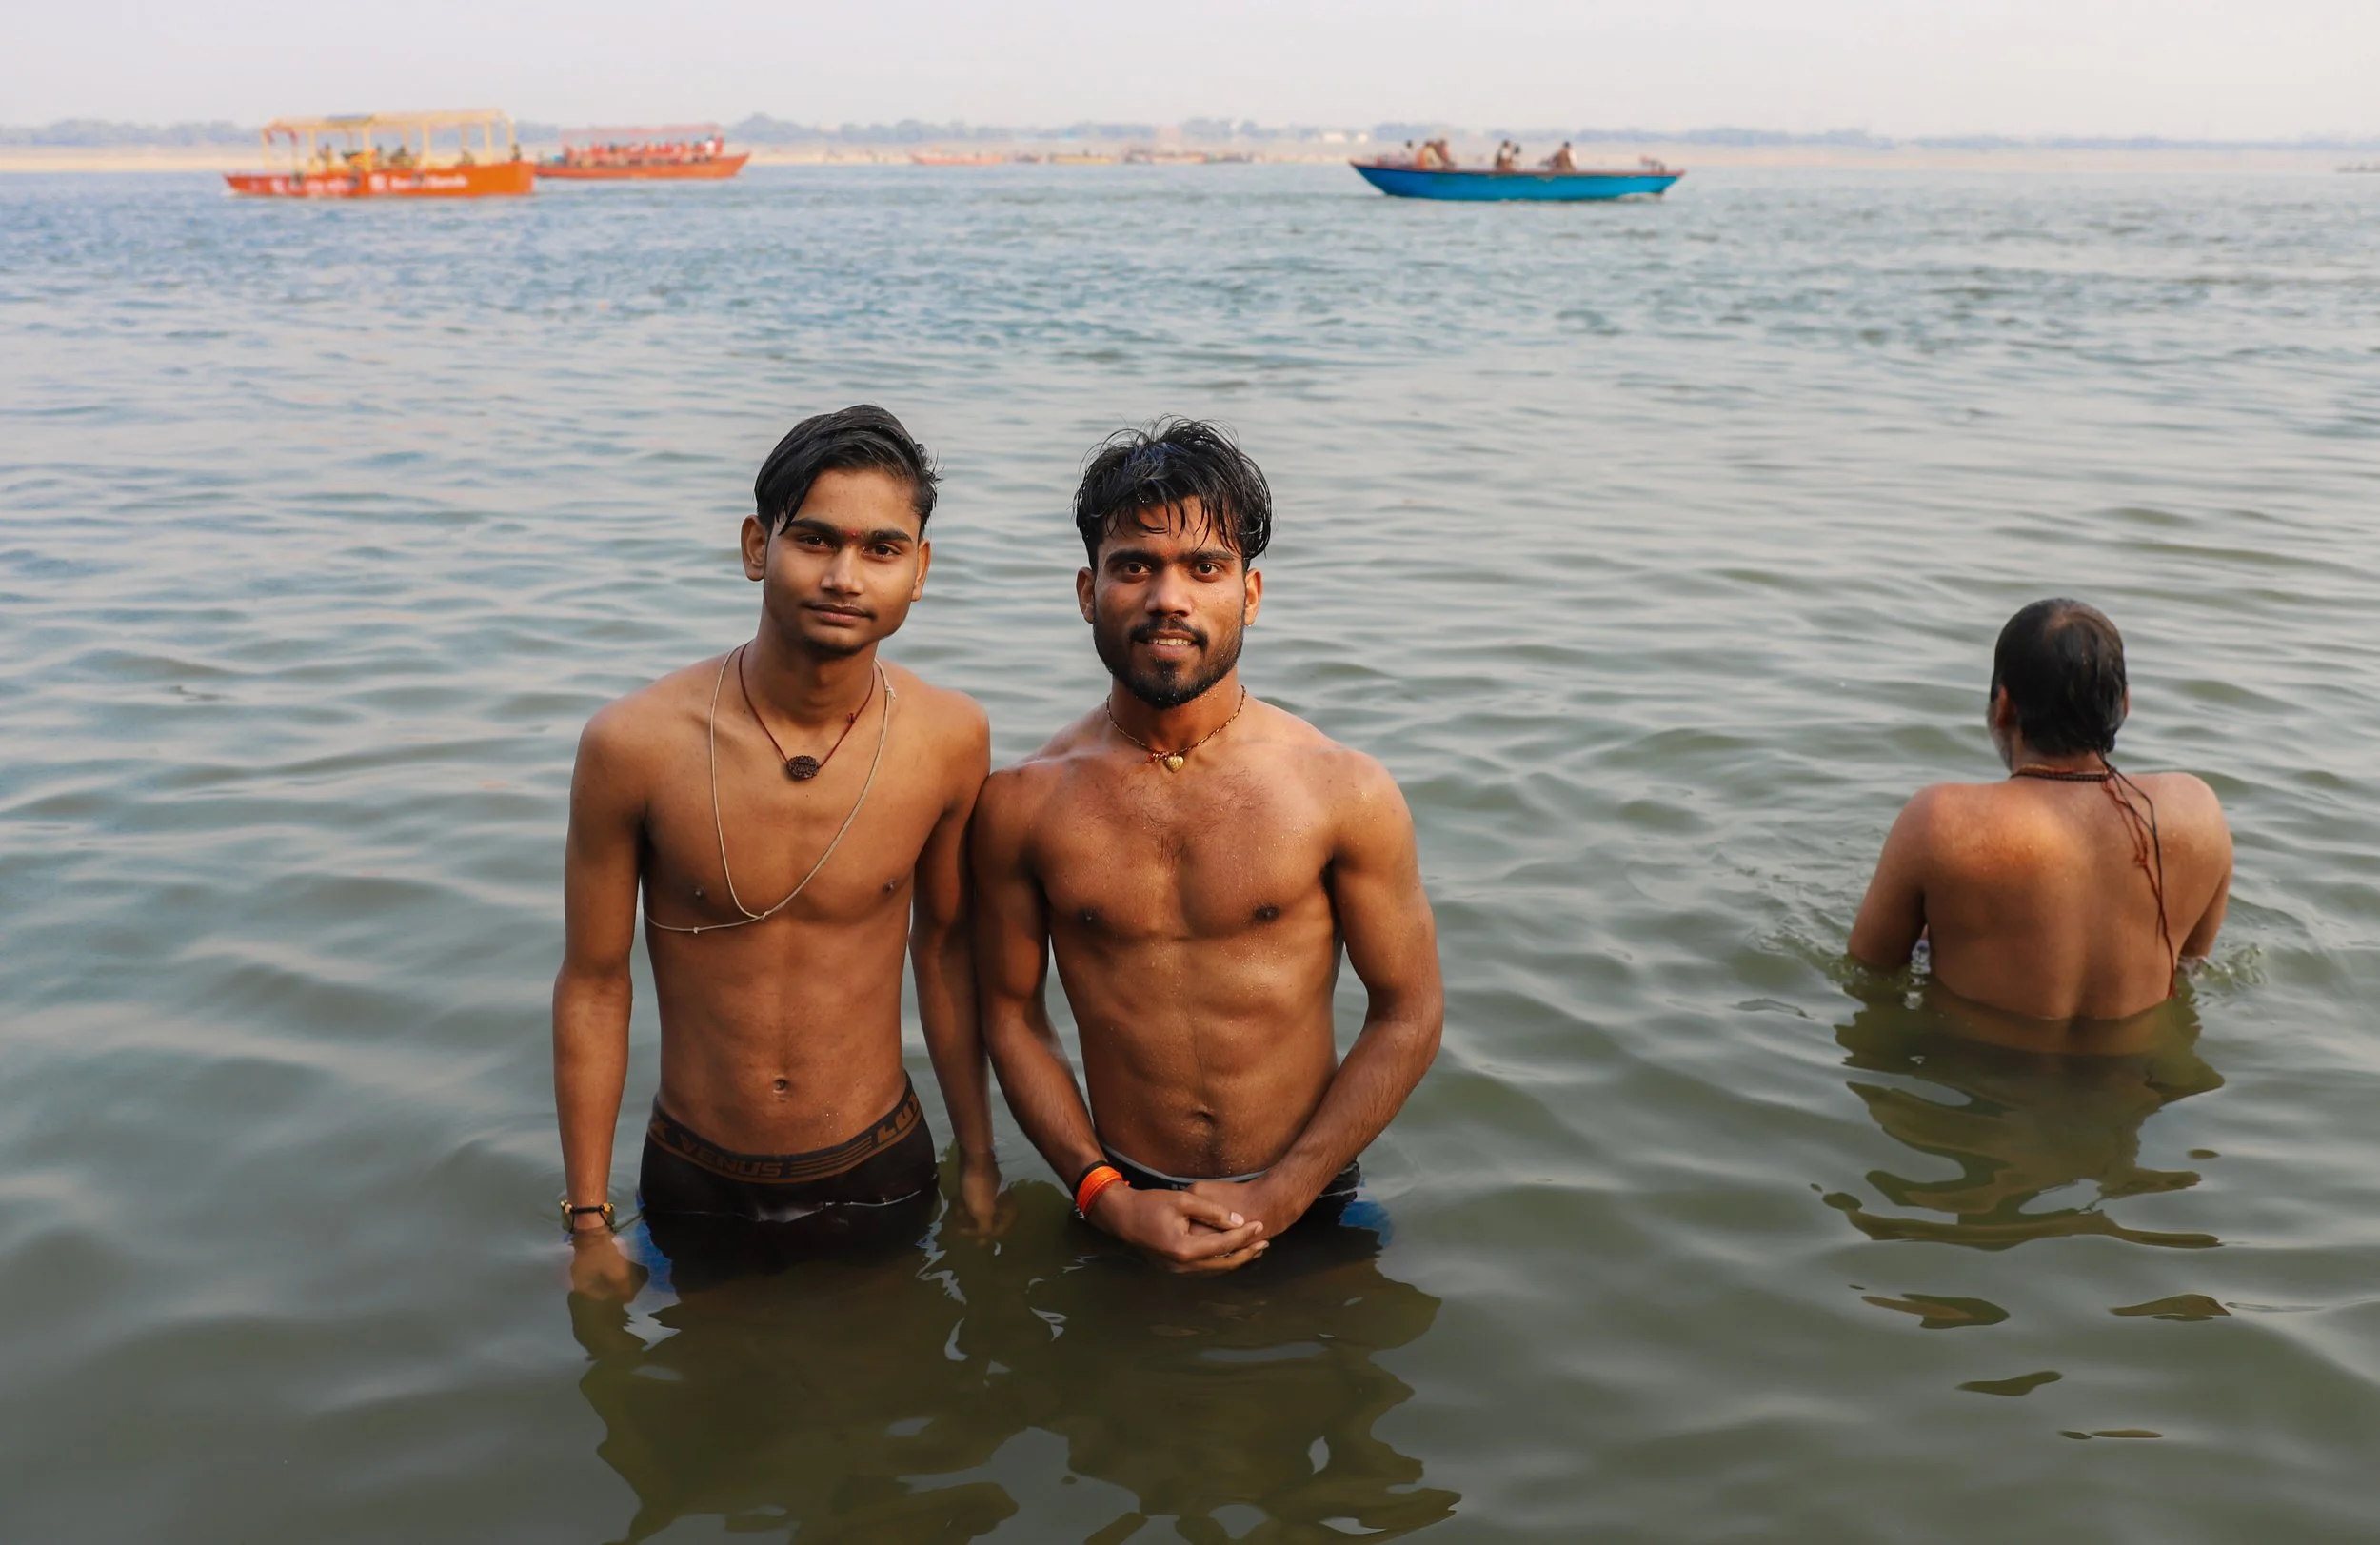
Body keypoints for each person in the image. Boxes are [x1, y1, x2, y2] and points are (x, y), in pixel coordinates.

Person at [973, 420, 1443, 1274]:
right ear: (1088, 590)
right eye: (1135, 566)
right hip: (1123, 1194)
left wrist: (1285, 1193)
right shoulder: (1023, 803)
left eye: (1204, 567)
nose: (1169, 597)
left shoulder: (1341, 789)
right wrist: (1102, 1195)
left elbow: (1408, 1012)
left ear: (1251, 594)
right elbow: (1011, 1013)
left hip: (1313, 1193)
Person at [553, 405, 998, 1297]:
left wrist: (979, 1160)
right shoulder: (634, 744)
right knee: (702, 1422)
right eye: (814, 540)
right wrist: (589, 1218)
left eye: (881, 548)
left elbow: (945, 952)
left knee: (887, 1405)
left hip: (879, 1164)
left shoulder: (950, 738)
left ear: (919, 571)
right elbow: (596, 980)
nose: (844, 575)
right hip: (697, 1172)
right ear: (758, 547)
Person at [1850, 599, 2232, 1023]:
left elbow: (1867, 974)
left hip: (1981, 1080)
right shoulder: (2200, 814)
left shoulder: (1939, 822)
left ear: (2005, 706)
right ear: (2124, 704)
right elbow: (2188, 968)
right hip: (2131, 1083)